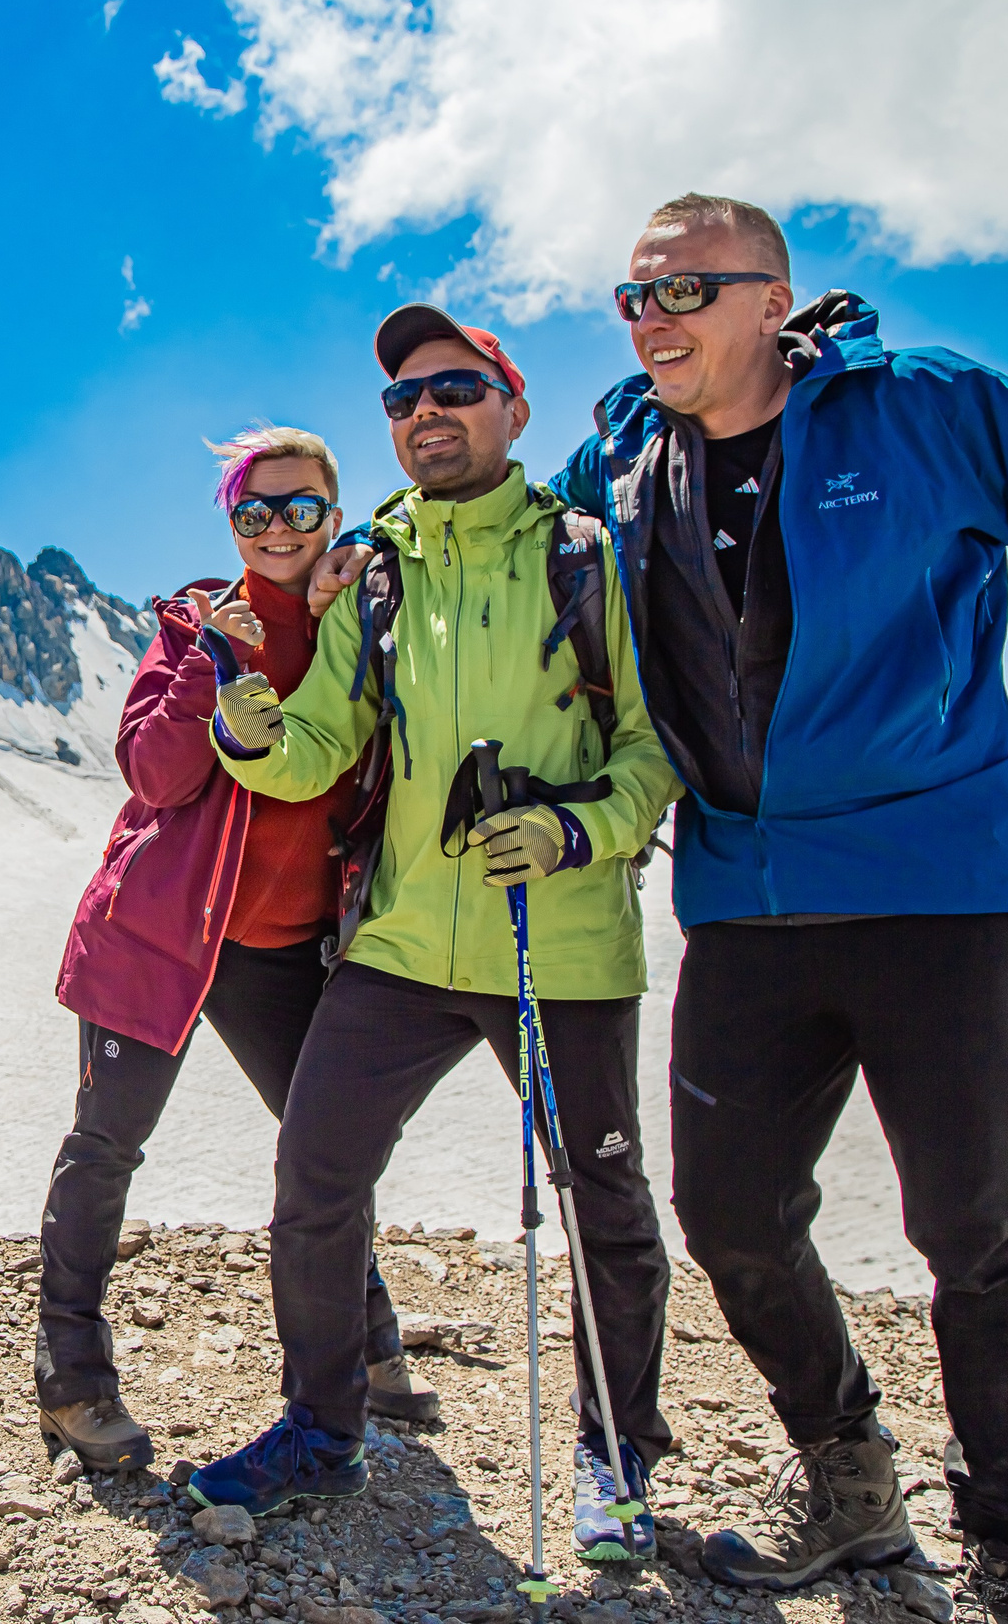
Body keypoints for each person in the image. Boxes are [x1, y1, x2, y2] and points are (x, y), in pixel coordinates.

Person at [546, 194, 1008, 1622]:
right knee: (730, 1211)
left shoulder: (925, 407)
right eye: (633, 297)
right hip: (749, 899)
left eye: (686, 291)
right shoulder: (625, 462)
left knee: (973, 1223)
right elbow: (520, 562)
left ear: (772, 299)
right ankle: (847, 1473)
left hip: (942, 890)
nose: (653, 318)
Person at [184, 311, 682, 1567]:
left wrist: (579, 832)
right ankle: (322, 1423)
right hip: (405, 941)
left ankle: (614, 1458)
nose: (426, 413)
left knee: (603, 1204)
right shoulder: (382, 571)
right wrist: (247, 729)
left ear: (512, 408)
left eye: (455, 389)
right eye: (404, 399)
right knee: (315, 1174)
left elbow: (653, 750)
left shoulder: (586, 555)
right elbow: (315, 753)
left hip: (556, 943)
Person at [43, 425, 436, 1474]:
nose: (275, 528)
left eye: (300, 506)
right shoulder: (193, 620)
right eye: (252, 510)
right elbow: (157, 778)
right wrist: (207, 664)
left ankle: (369, 1346)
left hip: (285, 946)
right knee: (105, 1147)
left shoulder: (367, 619)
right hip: (161, 933)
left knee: (327, 1149)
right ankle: (71, 1376)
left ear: (333, 514)